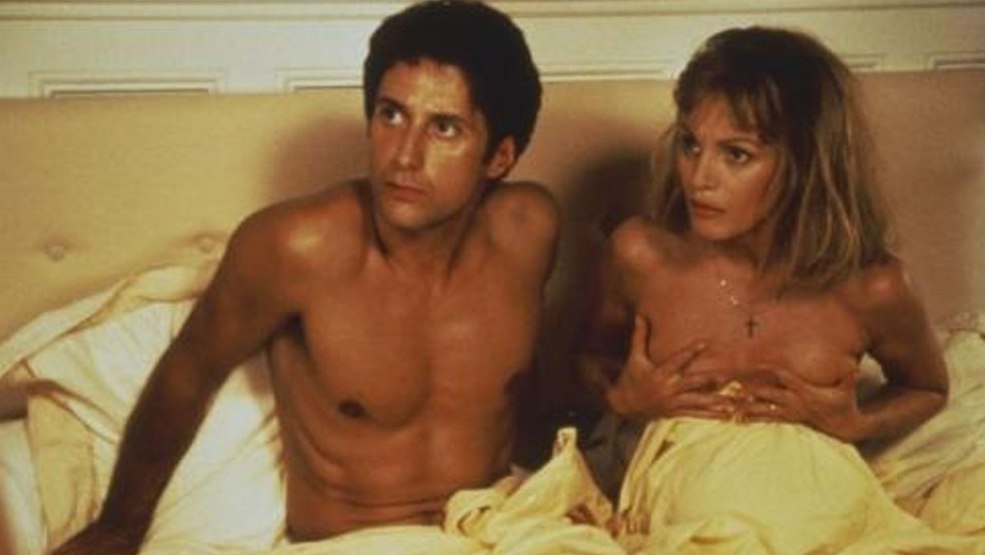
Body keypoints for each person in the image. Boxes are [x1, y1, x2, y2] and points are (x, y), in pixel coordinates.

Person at [54, 1, 553, 552]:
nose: (404, 157)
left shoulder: (528, 232)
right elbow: (190, 370)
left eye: (444, 127)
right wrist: (118, 528)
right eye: (391, 115)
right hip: (359, 542)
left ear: (499, 157)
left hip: (501, 526)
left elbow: (524, 391)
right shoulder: (297, 248)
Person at [580, 26, 974, 552]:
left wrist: (856, 421)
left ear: (804, 164)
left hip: (822, 507)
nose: (699, 177)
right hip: (686, 511)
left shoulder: (871, 285)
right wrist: (623, 398)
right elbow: (589, 359)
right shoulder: (641, 255)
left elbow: (928, 389)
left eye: (736, 155)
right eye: (691, 145)